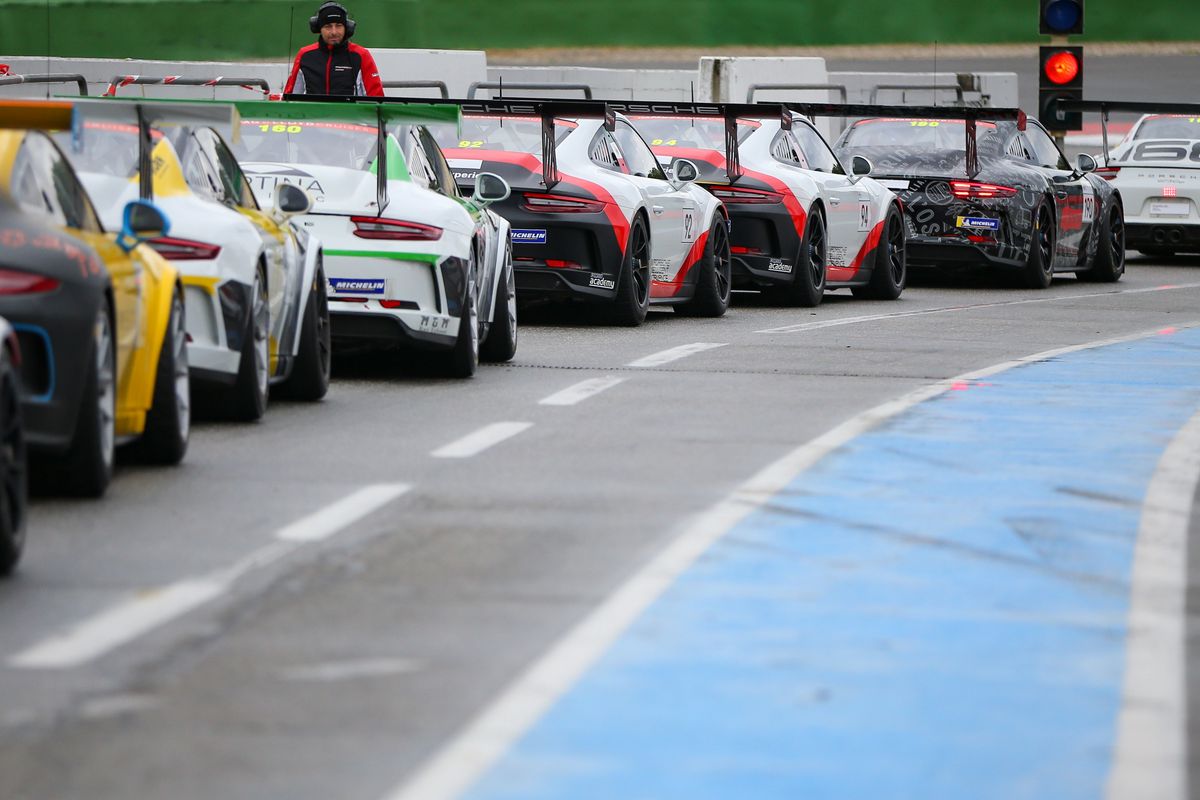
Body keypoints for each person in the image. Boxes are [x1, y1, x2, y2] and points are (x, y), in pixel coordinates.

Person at [284, 2, 383, 97]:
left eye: (339, 26)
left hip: (350, 114)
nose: (334, 32)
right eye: (328, 26)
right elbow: (290, 98)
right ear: (319, 29)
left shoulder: (361, 55)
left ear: (347, 28)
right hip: (313, 114)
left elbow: (377, 100)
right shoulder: (305, 55)